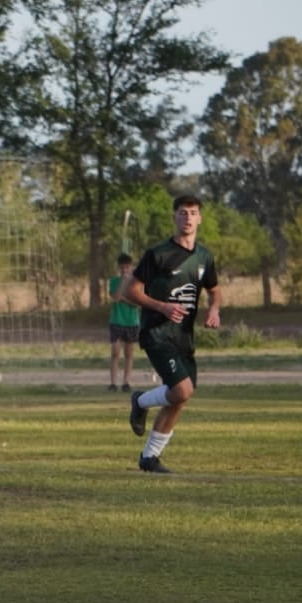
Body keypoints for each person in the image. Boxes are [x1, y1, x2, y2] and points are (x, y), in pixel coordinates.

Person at [124, 195, 221, 473]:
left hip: (183, 336)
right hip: (156, 332)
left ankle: (150, 458)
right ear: (174, 218)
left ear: (200, 218)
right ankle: (140, 401)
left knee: (180, 397)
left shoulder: (205, 257)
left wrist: (214, 310)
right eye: (182, 213)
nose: (188, 218)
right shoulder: (158, 254)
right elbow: (131, 291)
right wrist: (162, 307)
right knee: (181, 389)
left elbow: (215, 290)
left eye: (192, 213)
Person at [106, 253, 140, 392]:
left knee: (129, 353)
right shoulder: (114, 281)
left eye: (127, 267)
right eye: (122, 268)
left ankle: (126, 382)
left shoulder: (136, 283)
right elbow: (115, 297)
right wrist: (122, 283)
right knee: (115, 352)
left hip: (131, 321)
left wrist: (125, 299)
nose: (124, 270)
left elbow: (137, 303)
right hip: (116, 320)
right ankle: (113, 382)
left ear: (131, 267)